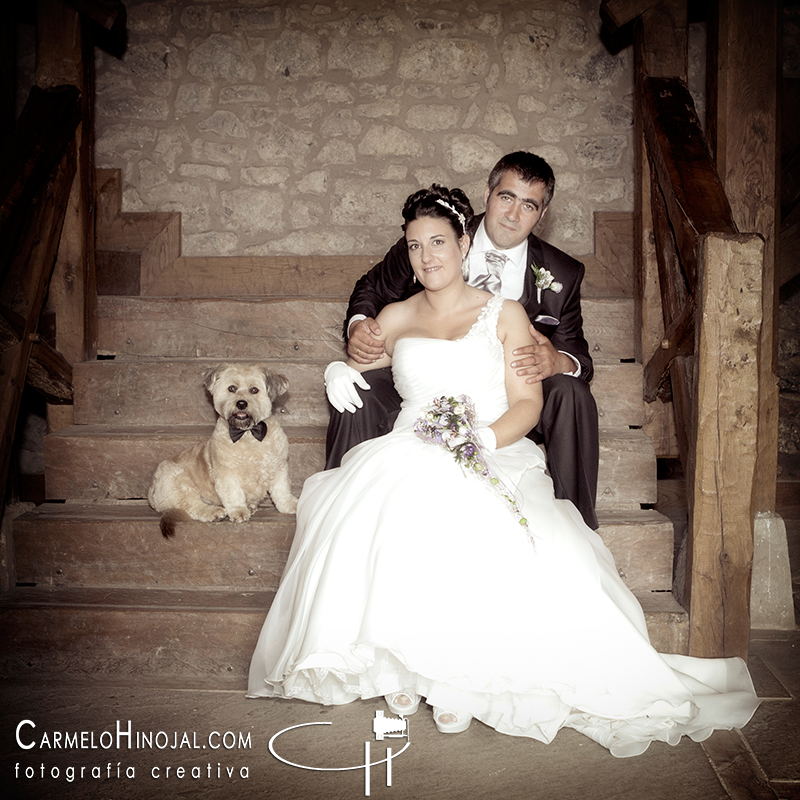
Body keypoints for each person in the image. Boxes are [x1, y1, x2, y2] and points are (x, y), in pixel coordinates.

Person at [247, 186, 759, 757]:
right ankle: (402, 670)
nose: (426, 257)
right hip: (410, 443)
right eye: (414, 246)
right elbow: (364, 356)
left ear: (465, 243)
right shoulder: (394, 314)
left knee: (475, 521)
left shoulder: (505, 314)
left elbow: (529, 406)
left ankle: (451, 677)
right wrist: (336, 368)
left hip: (489, 443)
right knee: (386, 509)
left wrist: (480, 440)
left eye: (438, 242)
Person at [325, 151, 600, 530]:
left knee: (571, 392)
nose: (513, 215)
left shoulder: (562, 273)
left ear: (543, 213)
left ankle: (576, 523)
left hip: (509, 384)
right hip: (422, 387)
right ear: (487, 193)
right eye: (506, 198)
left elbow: (574, 351)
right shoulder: (435, 233)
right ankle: (341, 509)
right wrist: (357, 331)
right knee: (358, 393)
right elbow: (373, 288)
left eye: (528, 205)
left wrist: (560, 363)